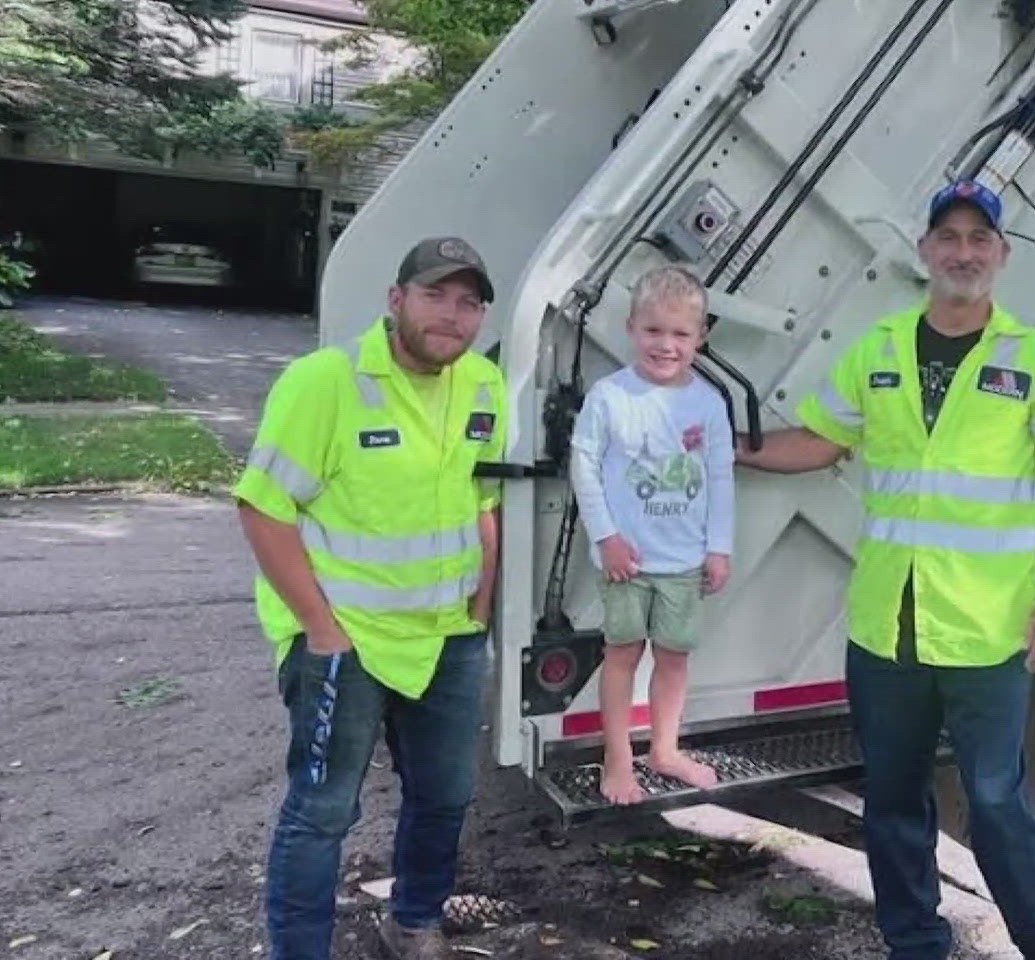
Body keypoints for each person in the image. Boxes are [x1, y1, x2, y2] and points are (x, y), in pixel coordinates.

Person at [736, 180, 1035, 960]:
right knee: (894, 801)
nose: (964, 252)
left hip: (987, 630)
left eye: (980, 238)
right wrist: (738, 445)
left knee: (999, 801)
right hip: (886, 626)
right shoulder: (880, 349)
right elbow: (821, 440)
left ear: (1001, 255)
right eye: (950, 237)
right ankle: (915, 943)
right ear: (925, 251)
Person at [234, 235, 508, 960]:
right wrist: (320, 629)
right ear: (395, 301)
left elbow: (484, 501)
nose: (451, 315)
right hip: (345, 641)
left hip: (446, 637)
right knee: (323, 811)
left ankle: (414, 921)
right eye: (434, 296)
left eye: (468, 302)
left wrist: (478, 613)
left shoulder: (483, 382)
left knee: (446, 795)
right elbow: (264, 508)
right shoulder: (326, 381)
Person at [569, 264, 735, 805]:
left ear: (700, 337)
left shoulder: (709, 403)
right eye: (653, 331)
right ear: (631, 327)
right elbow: (584, 466)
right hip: (628, 562)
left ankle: (665, 750)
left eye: (680, 334)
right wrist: (606, 538)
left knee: (674, 657)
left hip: (684, 562)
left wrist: (718, 547)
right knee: (621, 654)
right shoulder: (609, 396)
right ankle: (617, 761)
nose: (666, 345)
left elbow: (720, 477)